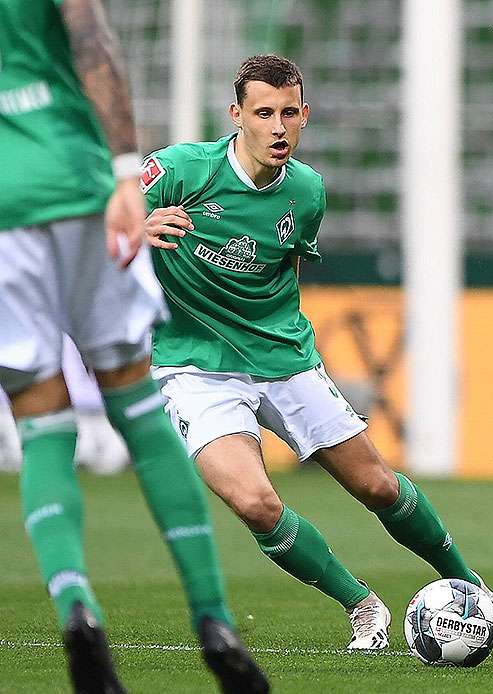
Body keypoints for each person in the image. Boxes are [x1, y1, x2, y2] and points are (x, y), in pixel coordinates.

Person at [141, 54, 493, 652]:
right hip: (195, 366)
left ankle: (480, 595)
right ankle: (362, 606)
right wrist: (132, 230)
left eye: (290, 113)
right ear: (236, 116)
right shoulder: (178, 171)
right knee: (254, 501)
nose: (278, 127)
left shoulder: (307, 191)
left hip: (284, 359)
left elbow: (287, 268)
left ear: (305, 117)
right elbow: (95, 213)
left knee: (376, 485)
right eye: (263, 113)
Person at [0, 1, 268, 692]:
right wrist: (127, 171)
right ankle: (212, 618)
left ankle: (76, 608)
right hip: (77, 179)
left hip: (4, 213)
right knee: (139, 407)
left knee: (41, 425)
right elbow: (91, 39)